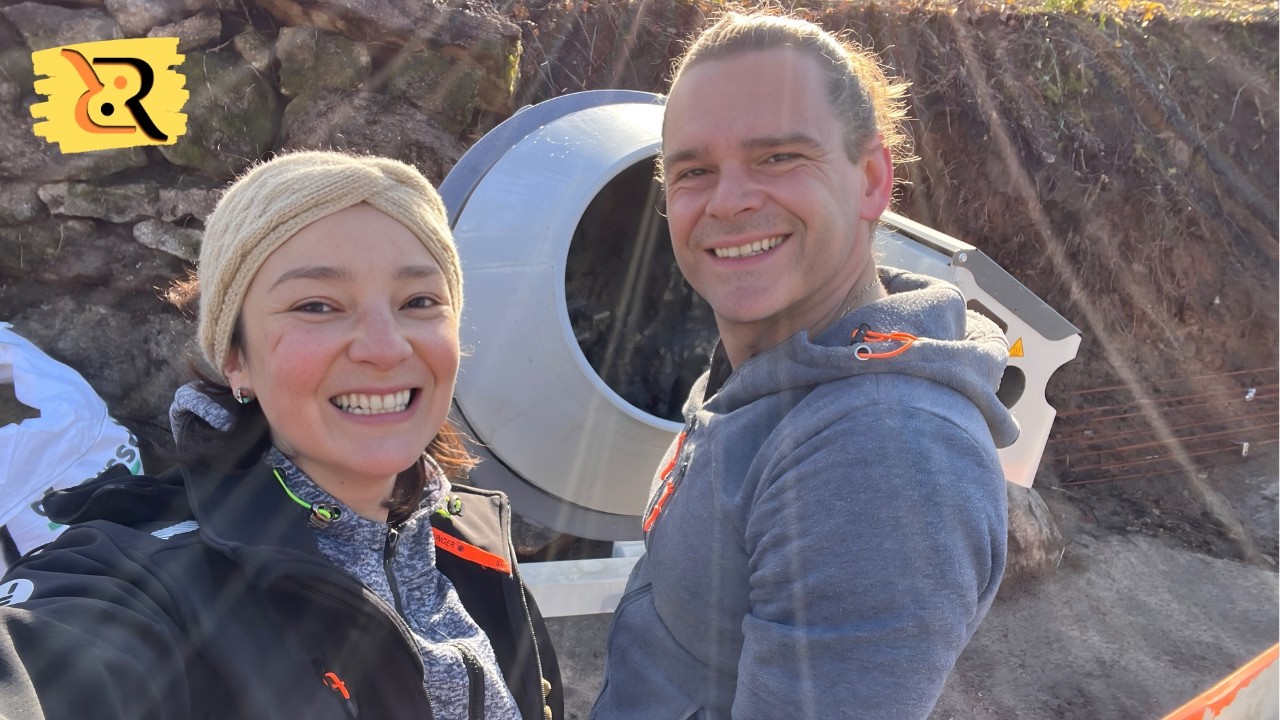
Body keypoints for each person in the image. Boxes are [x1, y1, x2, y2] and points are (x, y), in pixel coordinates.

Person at [0, 151, 562, 720]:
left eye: (419, 301)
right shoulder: (143, 576)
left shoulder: (473, 537)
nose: (386, 346)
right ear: (235, 358)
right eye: (316, 305)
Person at [591, 11, 1019, 720]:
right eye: (694, 170)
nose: (728, 201)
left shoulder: (883, 454)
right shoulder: (768, 367)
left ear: (872, 179)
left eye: (778, 157)